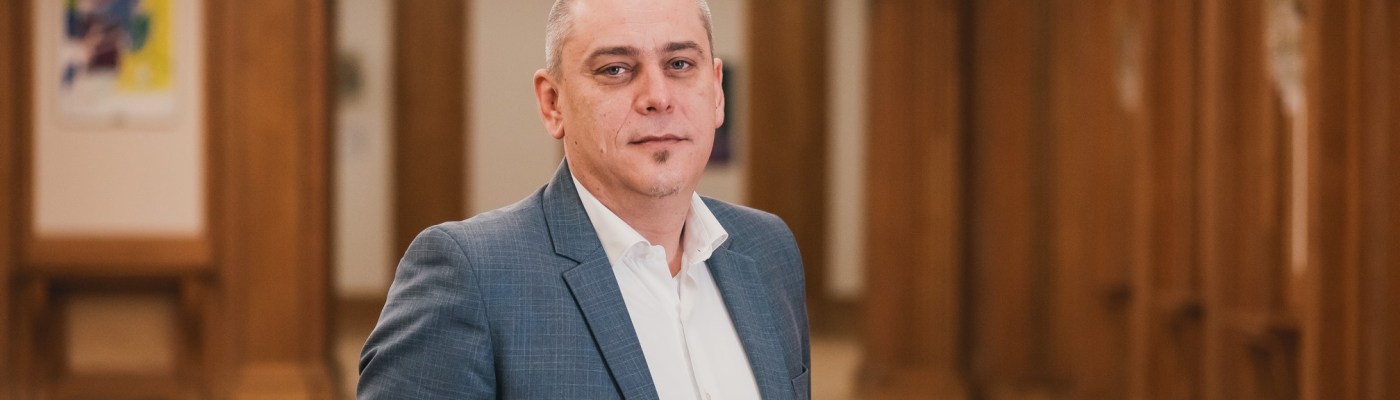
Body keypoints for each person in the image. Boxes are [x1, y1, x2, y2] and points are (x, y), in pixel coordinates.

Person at [357, 0, 809, 398]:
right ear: (553, 103)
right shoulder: (470, 276)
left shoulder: (768, 249)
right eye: (615, 69)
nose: (658, 97)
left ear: (716, 90)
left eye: (679, 64)